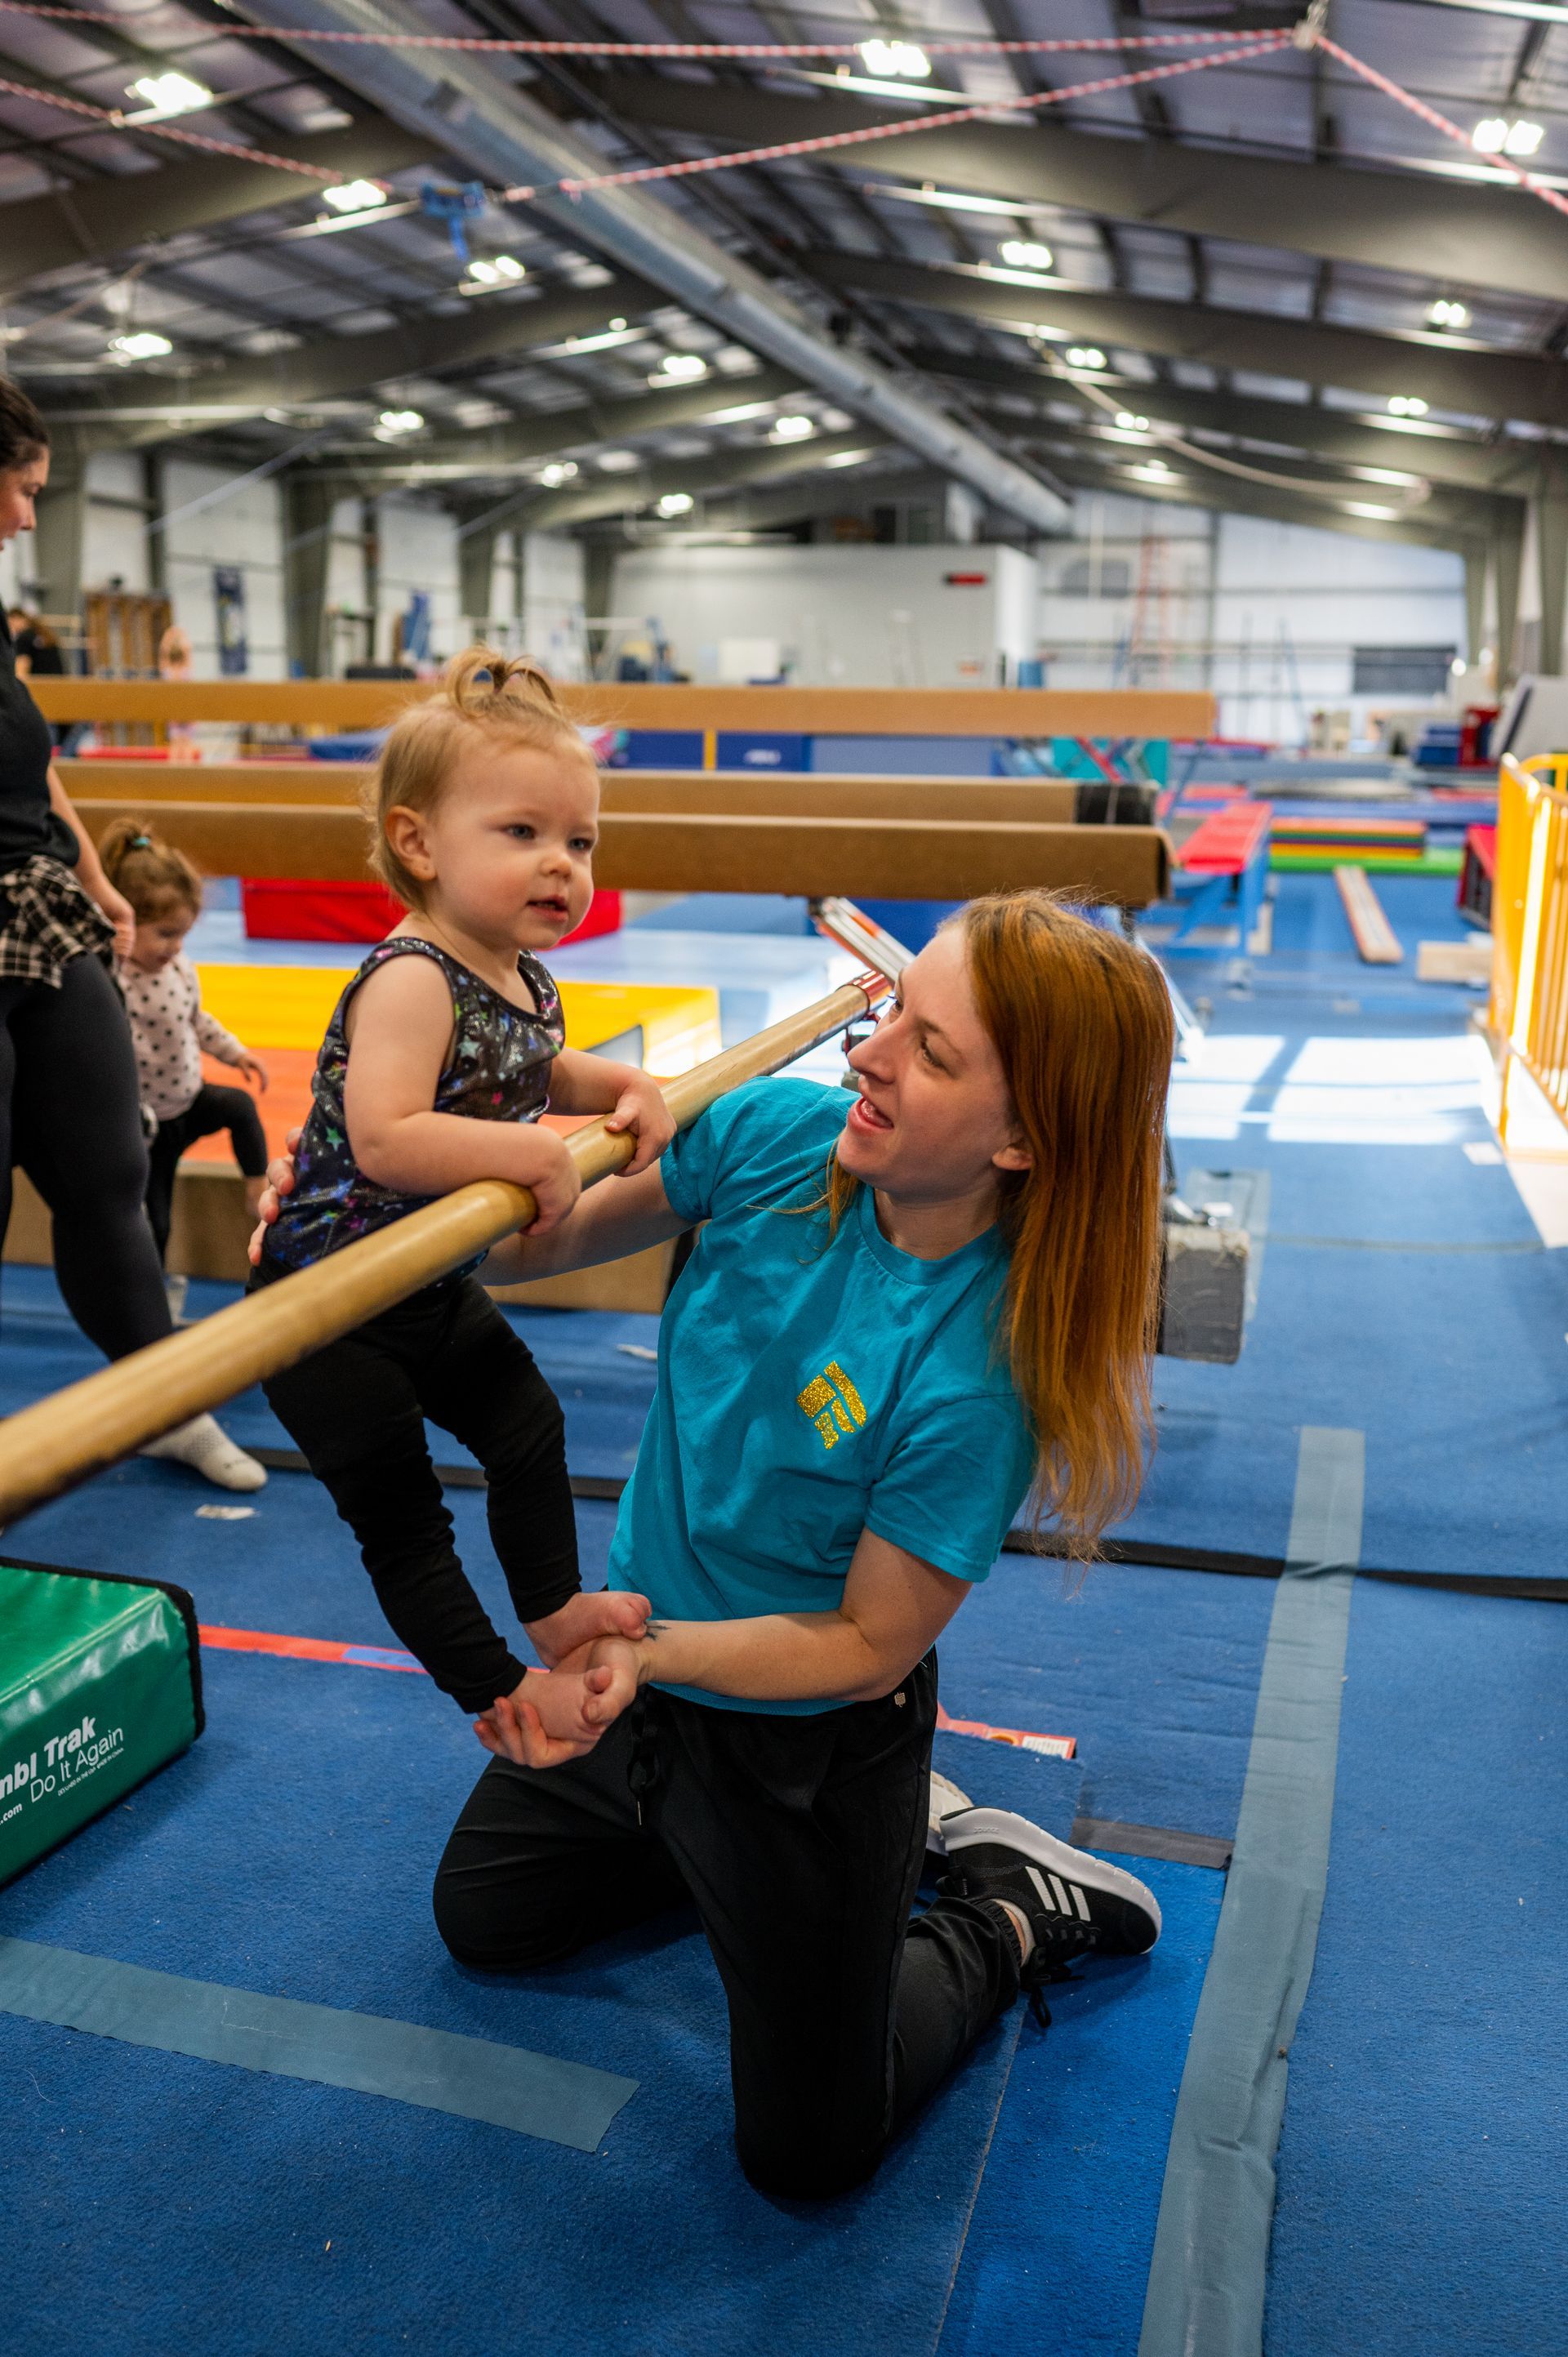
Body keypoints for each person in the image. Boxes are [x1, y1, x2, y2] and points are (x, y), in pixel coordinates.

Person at [256, 887, 1176, 2199]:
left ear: (1024, 1135)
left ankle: (1003, 1907)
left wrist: (652, 1652)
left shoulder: (978, 1376)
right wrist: (348, 1216)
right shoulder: (772, 1136)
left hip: (803, 1731)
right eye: (894, 1013)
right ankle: (786, 1857)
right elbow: (536, 1241)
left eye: (933, 1051)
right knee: (490, 1918)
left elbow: (865, 1644)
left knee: (809, 2153)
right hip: (647, 1675)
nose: (870, 1052)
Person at [252, 646, 672, 1743]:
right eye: (523, 834)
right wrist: (524, 1156)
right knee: (406, 1523)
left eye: (580, 841)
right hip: (327, 1306)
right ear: (419, 842)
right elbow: (389, 1136)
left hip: (422, 1282)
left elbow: (532, 1072)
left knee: (528, 1426)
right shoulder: (409, 976)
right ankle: (496, 1687)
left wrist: (613, 1081)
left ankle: (553, 1604)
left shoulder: (519, 973)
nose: (562, 865)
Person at [0, 381, 259, 1489]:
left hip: (40, 908)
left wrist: (96, 873)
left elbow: (33, 756)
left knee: (108, 1164)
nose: (25, 517)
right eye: (20, 488)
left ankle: (158, 1396)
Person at [100, 818, 271, 1281]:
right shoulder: (113, 975)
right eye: (166, 934)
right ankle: (151, 1290)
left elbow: (197, 1019)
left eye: (182, 935)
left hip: (188, 1100)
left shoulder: (179, 969)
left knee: (239, 1106)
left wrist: (236, 1053)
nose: (175, 947)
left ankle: (256, 1190)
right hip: (145, 1124)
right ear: (126, 924)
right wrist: (109, 940)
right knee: (155, 1219)